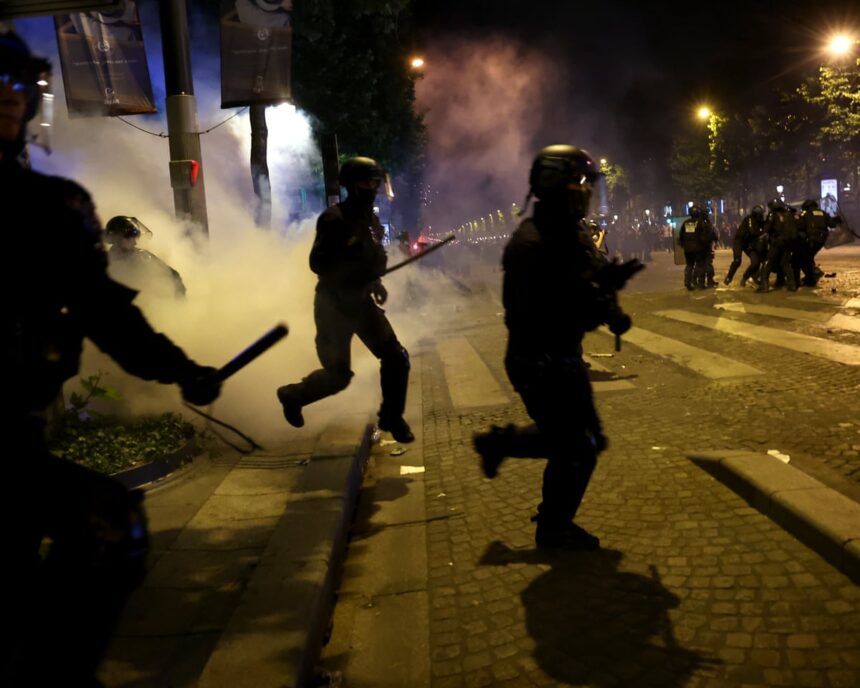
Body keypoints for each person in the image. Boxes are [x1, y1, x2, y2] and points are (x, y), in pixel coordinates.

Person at [0, 31, 222, 686]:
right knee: (102, 528)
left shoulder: (50, 209)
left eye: (16, 88)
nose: (7, 102)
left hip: (20, 431)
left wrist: (182, 369)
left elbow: (107, 314)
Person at [472, 145, 643, 551]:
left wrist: (610, 302)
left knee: (582, 441)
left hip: (564, 357)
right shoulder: (529, 245)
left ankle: (508, 452)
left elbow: (592, 275)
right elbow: (532, 316)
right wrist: (588, 306)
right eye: (580, 182)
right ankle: (552, 527)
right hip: (538, 360)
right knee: (576, 447)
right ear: (555, 184)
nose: (585, 191)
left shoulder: (572, 230)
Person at [276, 157, 413, 443]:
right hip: (333, 308)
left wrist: (374, 282)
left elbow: (370, 258)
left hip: (361, 303)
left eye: (375, 182)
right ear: (351, 184)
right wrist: (351, 263)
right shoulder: (333, 219)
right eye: (366, 182)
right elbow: (317, 264)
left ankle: (391, 416)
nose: (372, 187)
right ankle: (293, 395)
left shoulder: (371, 219)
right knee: (338, 377)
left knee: (396, 359)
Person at [105, 215, 187, 298]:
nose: (135, 243)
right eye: (129, 238)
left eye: (135, 238)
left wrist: (180, 300)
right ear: (116, 238)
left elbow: (173, 276)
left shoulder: (143, 256)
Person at [794, 199, 840, 287]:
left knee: (803, 259)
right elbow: (832, 224)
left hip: (809, 240)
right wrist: (836, 220)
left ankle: (814, 274)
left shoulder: (805, 213)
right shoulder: (823, 213)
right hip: (821, 241)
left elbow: (800, 226)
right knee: (808, 257)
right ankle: (811, 277)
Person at [758, 197, 798, 292]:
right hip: (788, 243)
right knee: (785, 264)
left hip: (777, 242)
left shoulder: (773, 215)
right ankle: (792, 284)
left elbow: (767, 229)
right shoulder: (789, 214)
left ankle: (764, 285)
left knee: (768, 262)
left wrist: (762, 236)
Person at [724, 205, 766, 286]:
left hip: (748, 243)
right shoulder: (749, 219)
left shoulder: (760, 221)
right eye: (760, 214)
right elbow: (753, 232)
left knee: (755, 262)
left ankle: (746, 277)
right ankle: (729, 277)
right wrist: (763, 233)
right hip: (739, 241)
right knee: (737, 260)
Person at [678, 205, 709, 290]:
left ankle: (687, 282)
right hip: (698, 248)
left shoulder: (686, 223)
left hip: (688, 249)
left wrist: (684, 245)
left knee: (689, 265)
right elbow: (703, 237)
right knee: (700, 265)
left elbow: (681, 236)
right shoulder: (700, 223)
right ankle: (701, 284)